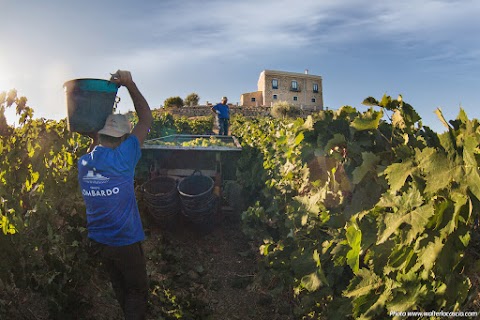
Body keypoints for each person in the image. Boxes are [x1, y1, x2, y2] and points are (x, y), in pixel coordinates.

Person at [78, 70, 153, 320]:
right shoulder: (124, 156)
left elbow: (94, 143)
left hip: (101, 240)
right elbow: (146, 119)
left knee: (121, 286)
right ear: (122, 137)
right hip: (124, 241)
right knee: (137, 291)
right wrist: (130, 84)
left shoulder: (84, 163)